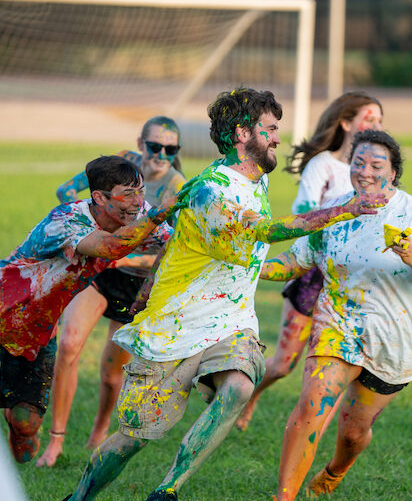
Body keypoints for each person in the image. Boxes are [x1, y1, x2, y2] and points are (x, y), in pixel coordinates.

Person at [64, 88, 387, 501]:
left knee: (237, 388)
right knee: (132, 439)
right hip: (173, 329)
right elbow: (264, 232)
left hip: (229, 325)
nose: (277, 138)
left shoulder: (258, 178)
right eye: (270, 130)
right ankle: (76, 498)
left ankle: (167, 490)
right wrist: (345, 208)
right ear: (241, 134)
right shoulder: (211, 190)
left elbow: (234, 251)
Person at [260, 130, 412, 500]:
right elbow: (293, 262)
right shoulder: (335, 213)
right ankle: (284, 496)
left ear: (392, 172)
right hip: (337, 325)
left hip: (395, 340)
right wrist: (245, 265)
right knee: (312, 403)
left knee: (353, 432)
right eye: (358, 163)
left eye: (377, 165)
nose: (366, 172)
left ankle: (337, 468)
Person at [0, 155, 178, 464]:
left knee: (25, 434)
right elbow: (110, 248)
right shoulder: (67, 221)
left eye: (141, 191)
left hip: (38, 333)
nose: (138, 202)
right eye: (128, 194)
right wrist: (161, 213)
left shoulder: (139, 213)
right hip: (3, 313)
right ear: (99, 197)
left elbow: (173, 243)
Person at [37, 117, 186, 467]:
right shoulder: (123, 163)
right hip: (100, 270)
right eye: (154, 146)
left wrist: (124, 255)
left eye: (170, 149)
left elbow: (176, 249)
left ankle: (99, 429)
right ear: (140, 143)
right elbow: (66, 191)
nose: (161, 154)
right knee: (70, 344)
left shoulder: (176, 186)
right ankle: (55, 442)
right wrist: (91, 227)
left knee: (110, 375)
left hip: (135, 281)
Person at [236, 91, 383, 432]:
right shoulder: (323, 166)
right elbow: (303, 213)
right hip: (312, 272)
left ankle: (313, 427)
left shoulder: (375, 170)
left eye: (379, 121)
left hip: (352, 277)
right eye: (369, 118)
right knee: (285, 363)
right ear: (346, 122)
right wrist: (338, 215)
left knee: (339, 362)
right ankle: (248, 396)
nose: (376, 126)